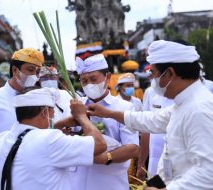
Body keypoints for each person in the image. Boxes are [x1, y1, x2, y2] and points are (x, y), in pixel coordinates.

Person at [87, 40, 213, 189]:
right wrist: (109, 113)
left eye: (153, 73)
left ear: (170, 73)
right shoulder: (184, 103)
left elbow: (208, 173)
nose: (152, 80)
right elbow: (152, 120)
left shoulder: (198, 109)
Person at [0, 87, 107, 190]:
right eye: (52, 110)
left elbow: (36, 145)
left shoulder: (1, 138)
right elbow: (99, 144)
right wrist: (81, 116)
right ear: (45, 112)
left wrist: (59, 124)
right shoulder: (49, 140)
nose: (53, 116)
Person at [0, 48, 44, 190]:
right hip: (1, 180)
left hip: (34, 178)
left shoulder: (39, 99)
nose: (34, 76)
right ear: (15, 70)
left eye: (37, 72)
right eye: (30, 70)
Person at [72, 54, 139, 190]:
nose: (89, 84)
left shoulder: (124, 108)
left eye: (93, 79)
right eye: (84, 81)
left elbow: (133, 148)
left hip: (111, 182)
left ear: (107, 78)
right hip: (79, 182)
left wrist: (106, 157)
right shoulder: (76, 107)